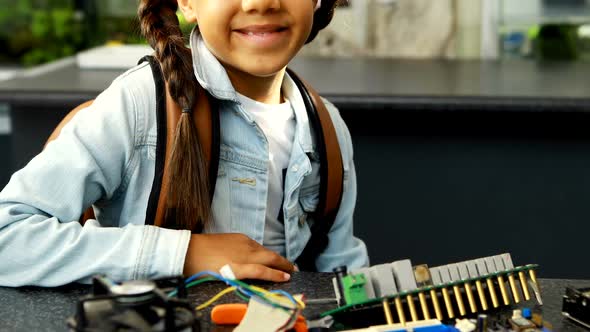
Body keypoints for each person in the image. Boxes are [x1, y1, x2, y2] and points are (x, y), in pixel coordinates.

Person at [0, 0, 369, 287]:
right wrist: (184, 253)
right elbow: (8, 237)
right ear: (188, 3)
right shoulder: (140, 104)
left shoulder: (327, 128)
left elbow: (342, 277)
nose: (260, 3)